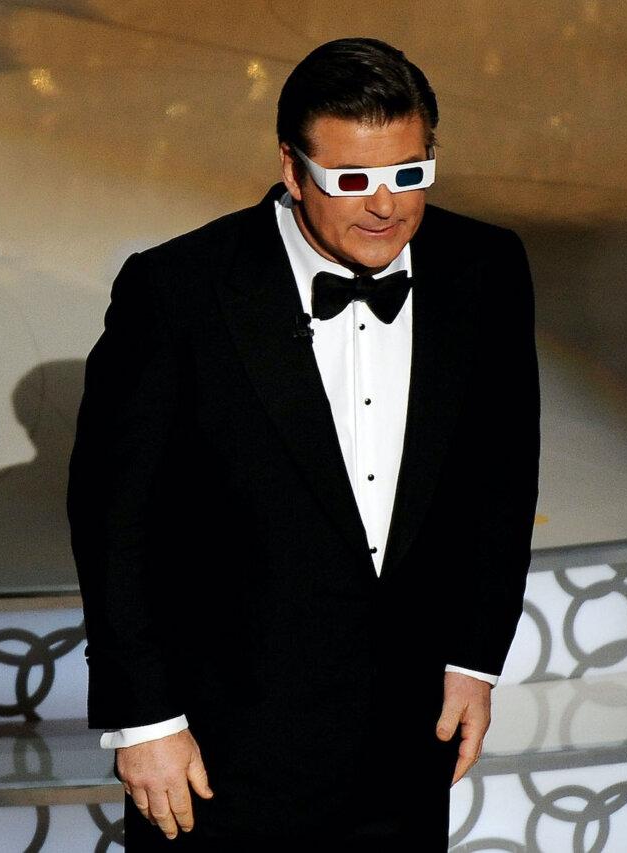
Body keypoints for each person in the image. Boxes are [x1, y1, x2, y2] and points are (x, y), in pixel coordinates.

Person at [68, 38, 539, 849]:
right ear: (293, 168)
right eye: (352, 180)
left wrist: (473, 657)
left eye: (409, 173)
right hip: (220, 752)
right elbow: (113, 519)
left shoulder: (484, 268)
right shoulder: (177, 290)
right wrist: (143, 718)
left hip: (404, 742)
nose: (386, 205)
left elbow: (502, 479)